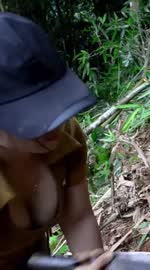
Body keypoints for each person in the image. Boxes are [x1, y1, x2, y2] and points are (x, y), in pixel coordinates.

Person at [0, 13, 112, 269]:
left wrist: (93, 263)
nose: (55, 123)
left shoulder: (66, 137)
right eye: (34, 115)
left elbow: (78, 216)